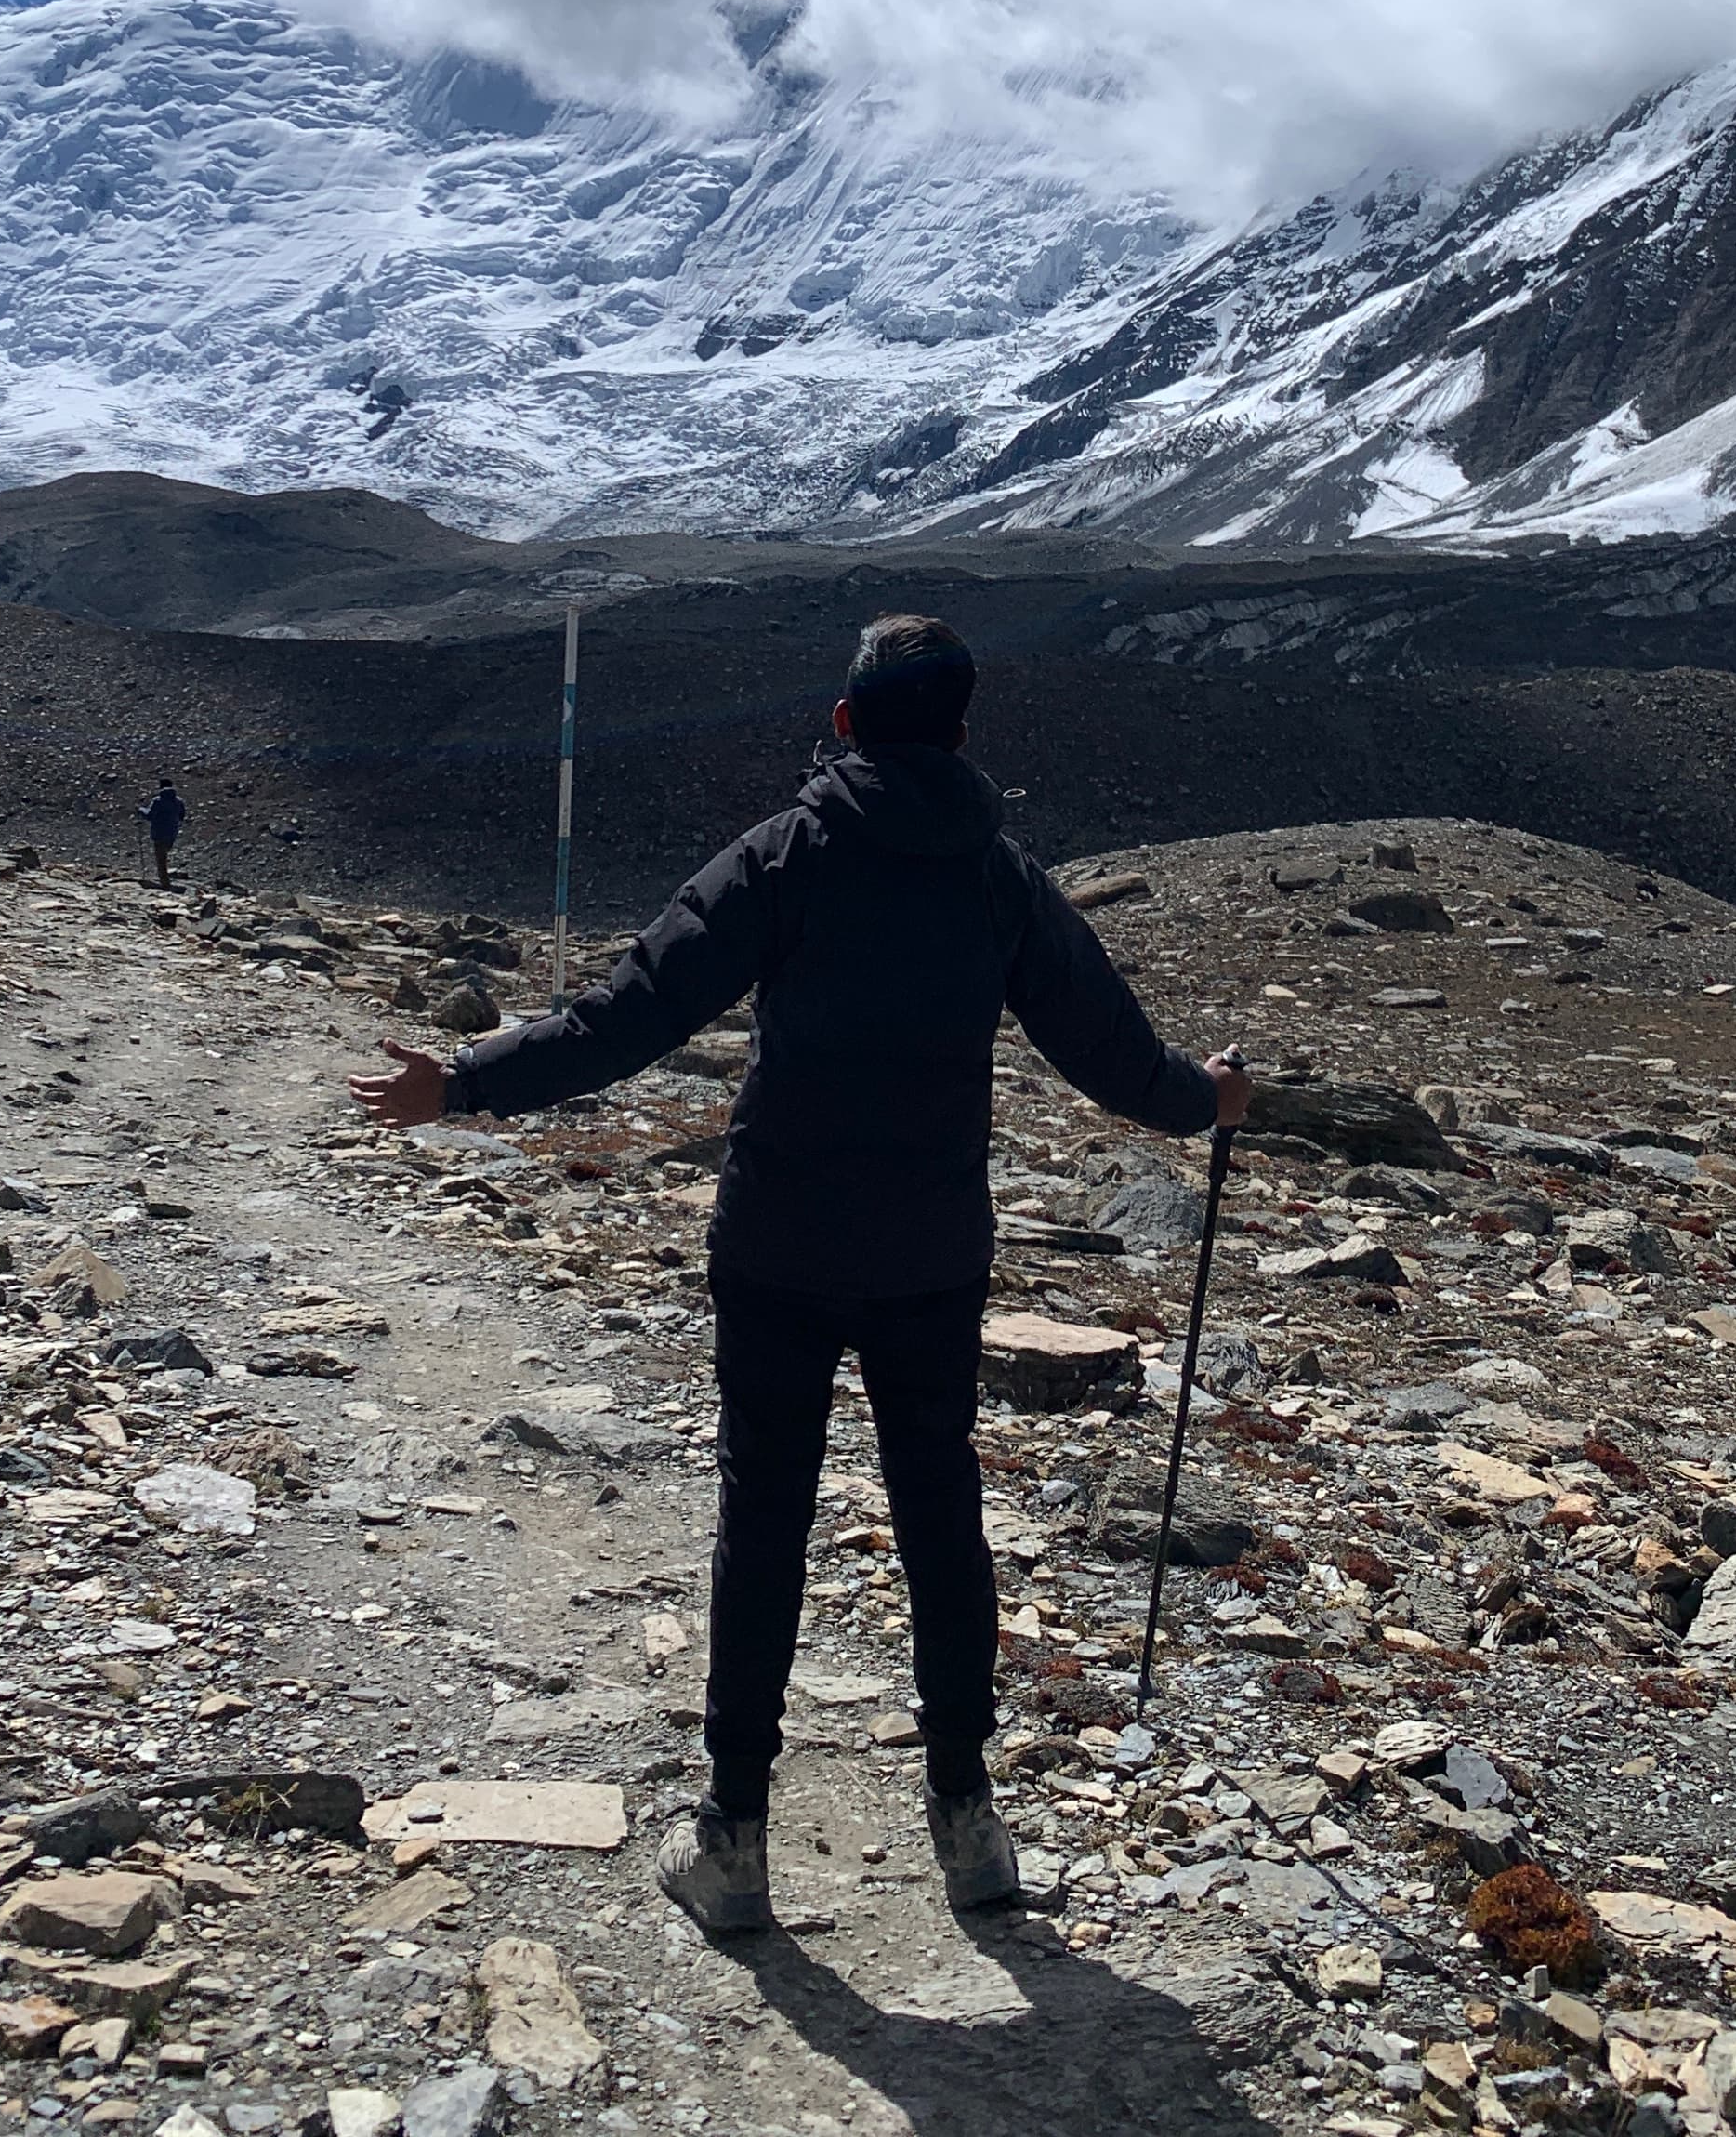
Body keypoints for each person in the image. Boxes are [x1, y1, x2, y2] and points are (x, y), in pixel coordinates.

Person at [348, 611, 1248, 1938]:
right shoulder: (998, 878)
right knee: (941, 1518)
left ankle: (736, 1836)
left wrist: (468, 1081)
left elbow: (635, 1010)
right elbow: (1107, 1050)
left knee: (764, 1519)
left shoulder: (787, 855)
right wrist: (1203, 1102)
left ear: (844, 726)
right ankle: (968, 1824)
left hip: (776, 1244)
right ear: (957, 728)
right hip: (932, 1256)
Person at [141, 778, 187, 889]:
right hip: (172, 833)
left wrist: (141, 809)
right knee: (164, 856)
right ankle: (165, 880)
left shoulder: (157, 800)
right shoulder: (179, 801)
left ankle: (165, 884)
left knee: (161, 859)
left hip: (159, 832)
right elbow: (182, 816)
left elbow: (149, 815)